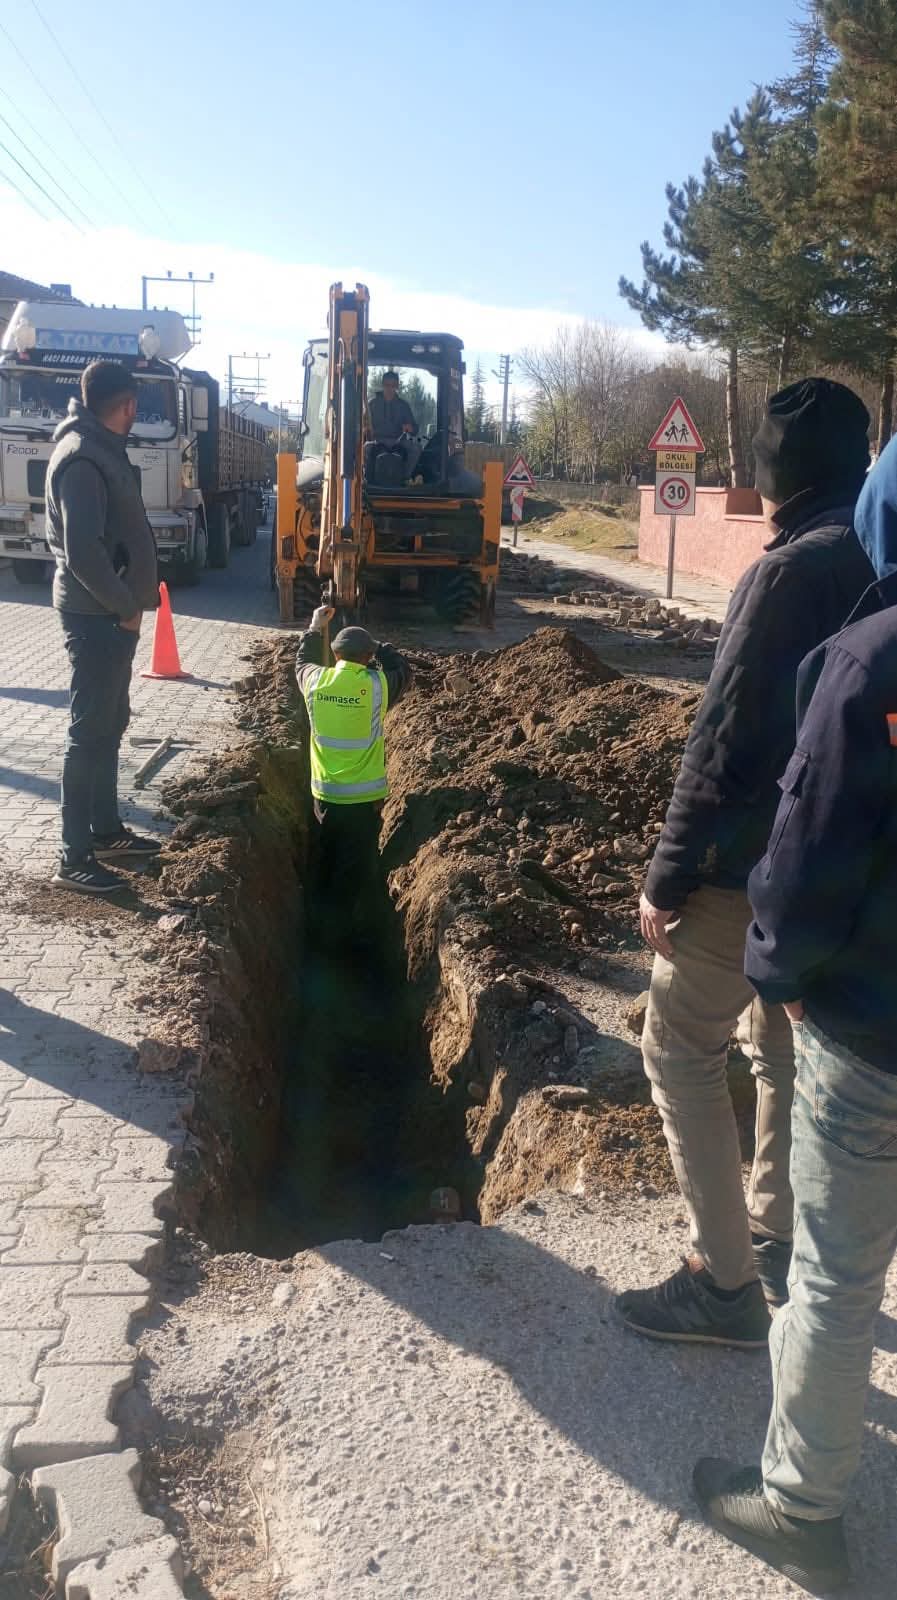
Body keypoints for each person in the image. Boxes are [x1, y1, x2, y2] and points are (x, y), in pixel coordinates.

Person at [616, 378, 875, 1346]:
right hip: (838, 870)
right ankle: (772, 1233)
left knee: (679, 1046)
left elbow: (722, 739)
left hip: (749, 868)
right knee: (780, 1048)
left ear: (772, 473)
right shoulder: (878, 557)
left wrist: (667, 874)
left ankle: (722, 1284)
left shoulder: (788, 572)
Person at [693, 431, 897, 1598]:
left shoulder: (870, 660)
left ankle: (801, 1508)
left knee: (833, 1275)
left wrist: (782, 974)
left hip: (871, 1029)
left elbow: (805, 852)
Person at [45, 360, 161, 895]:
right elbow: (82, 553)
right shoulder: (82, 459)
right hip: (97, 617)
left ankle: (106, 832)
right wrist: (125, 606)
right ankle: (74, 858)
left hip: (111, 616)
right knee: (88, 733)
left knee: (110, 723)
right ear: (128, 404)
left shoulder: (100, 448)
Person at [295, 606, 411, 922]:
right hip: (364, 801)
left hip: (326, 797)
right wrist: (382, 648)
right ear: (367, 657)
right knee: (356, 865)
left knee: (327, 853)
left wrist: (315, 627)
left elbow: (302, 661)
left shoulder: (315, 681)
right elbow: (403, 671)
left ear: (336, 655)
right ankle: (350, 920)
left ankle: (320, 914)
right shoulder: (378, 686)